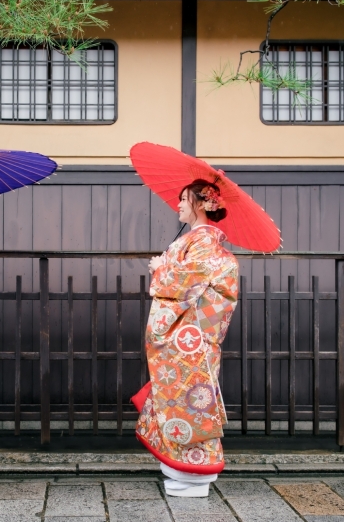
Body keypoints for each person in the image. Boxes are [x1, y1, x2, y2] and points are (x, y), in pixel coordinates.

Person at [133, 178, 239, 498]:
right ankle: (184, 472)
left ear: (203, 203)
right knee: (182, 403)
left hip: (188, 340)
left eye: (184, 199)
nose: (178, 204)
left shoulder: (204, 241)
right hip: (189, 341)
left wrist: (161, 269)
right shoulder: (197, 239)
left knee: (190, 405)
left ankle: (195, 475)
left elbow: (188, 281)